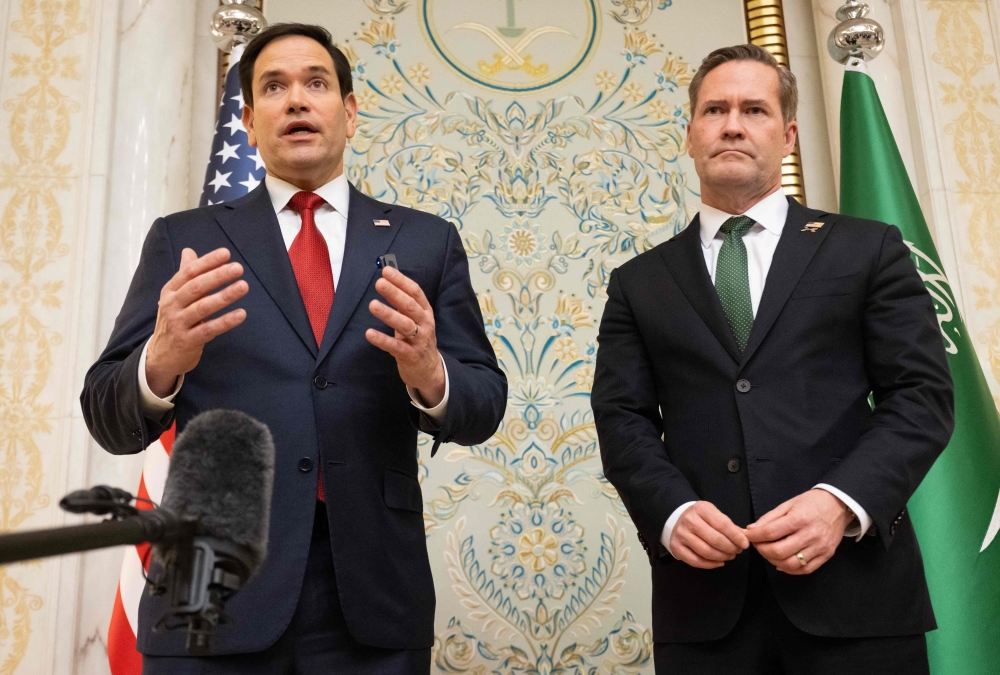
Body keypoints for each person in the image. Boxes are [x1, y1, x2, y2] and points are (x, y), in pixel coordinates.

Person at [81, 23, 506, 674]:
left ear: (350, 111)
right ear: (249, 122)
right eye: (274, 87)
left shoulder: (426, 242)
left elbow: (483, 404)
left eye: (316, 83)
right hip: (209, 597)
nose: (297, 100)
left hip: (371, 597)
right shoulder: (183, 239)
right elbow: (106, 415)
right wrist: (159, 360)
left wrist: (431, 372)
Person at [591, 44, 953, 675]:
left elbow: (922, 397)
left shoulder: (867, 250)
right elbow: (621, 418)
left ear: (786, 136)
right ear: (690, 133)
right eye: (715, 110)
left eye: (753, 109)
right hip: (706, 611)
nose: (732, 124)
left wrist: (840, 504)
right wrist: (672, 513)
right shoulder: (637, 282)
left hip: (858, 604)